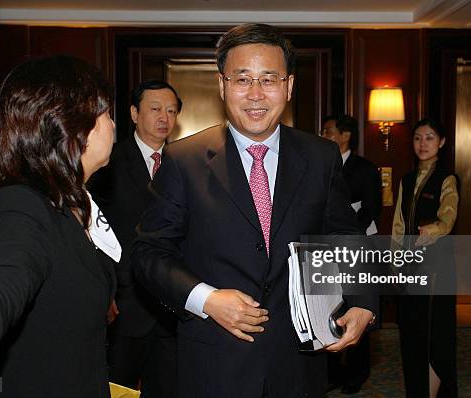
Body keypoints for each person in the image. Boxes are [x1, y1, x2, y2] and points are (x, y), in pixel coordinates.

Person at [131, 23, 377, 398]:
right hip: (214, 364)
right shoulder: (183, 159)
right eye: (242, 79)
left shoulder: (320, 156)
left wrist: (363, 304)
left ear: (290, 86)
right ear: (222, 85)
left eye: (269, 79)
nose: (256, 94)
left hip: (298, 365)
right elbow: (149, 253)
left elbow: (347, 237)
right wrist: (207, 299)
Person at [0, 55, 117, 397]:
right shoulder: (21, 204)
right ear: (74, 125)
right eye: (107, 114)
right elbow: (4, 273)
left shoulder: (73, 201)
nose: (113, 126)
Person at [88, 81, 182, 396]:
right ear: (133, 113)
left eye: (171, 111)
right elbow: (94, 231)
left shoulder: (185, 162)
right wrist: (105, 292)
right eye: (155, 109)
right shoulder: (108, 160)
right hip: (125, 305)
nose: (164, 118)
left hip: (172, 306)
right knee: (118, 388)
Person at [392, 117, 459, 398]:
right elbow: (397, 224)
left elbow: (448, 216)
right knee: (411, 333)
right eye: (418, 137)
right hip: (409, 267)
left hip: (436, 266)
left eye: (430, 137)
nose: (423, 143)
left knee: (433, 336)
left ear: (441, 142)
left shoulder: (447, 178)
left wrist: (431, 231)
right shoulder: (406, 180)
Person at [321, 114, 382, 394]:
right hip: (325, 251)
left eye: (329, 131)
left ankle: (357, 374)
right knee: (331, 310)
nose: (324, 135)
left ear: (345, 136)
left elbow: (370, 209)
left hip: (357, 247)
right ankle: (333, 371)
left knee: (358, 309)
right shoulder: (319, 164)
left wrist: (345, 240)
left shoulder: (365, 169)